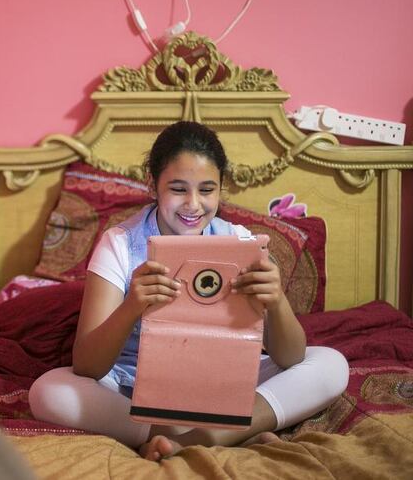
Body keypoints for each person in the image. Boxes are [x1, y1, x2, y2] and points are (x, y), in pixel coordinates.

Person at [28, 121, 349, 461]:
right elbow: (87, 365)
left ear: (222, 187)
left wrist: (277, 301)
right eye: (178, 189)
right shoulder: (121, 244)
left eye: (207, 190)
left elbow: (290, 358)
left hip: (227, 380)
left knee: (330, 364)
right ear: (153, 184)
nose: (193, 205)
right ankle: (217, 433)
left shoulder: (240, 242)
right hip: (133, 385)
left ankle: (203, 436)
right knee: (48, 391)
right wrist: (132, 306)